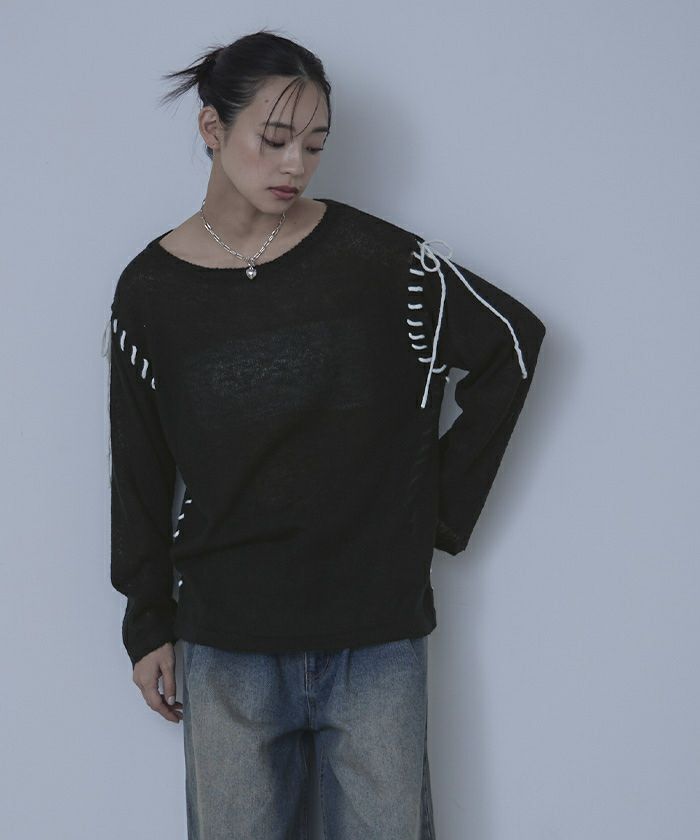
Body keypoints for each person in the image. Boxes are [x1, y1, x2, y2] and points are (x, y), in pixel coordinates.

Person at [103, 28, 546, 840]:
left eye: (314, 145)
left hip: (375, 639)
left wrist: (434, 512)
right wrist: (147, 622)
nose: (295, 165)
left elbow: (511, 345)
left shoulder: (382, 263)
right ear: (212, 128)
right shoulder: (150, 293)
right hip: (227, 640)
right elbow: (139, 467)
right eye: (274, 139)